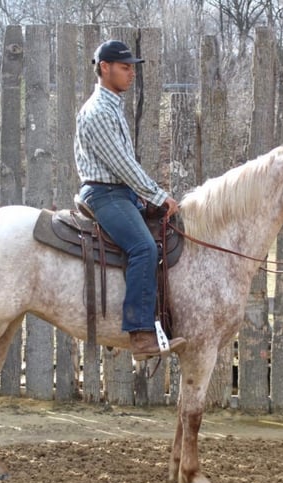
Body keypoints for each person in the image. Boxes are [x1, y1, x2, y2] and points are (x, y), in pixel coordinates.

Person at [74, 40, 186, 361]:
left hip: (120, 192)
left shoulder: (112, 107)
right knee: (143, 248)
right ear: (104, 68)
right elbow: (123, 164)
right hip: (105, 193)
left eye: (132, 68)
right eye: (125, 68)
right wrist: (158, 195)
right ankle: (140, 334)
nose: (131, 74)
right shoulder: (97, 112)